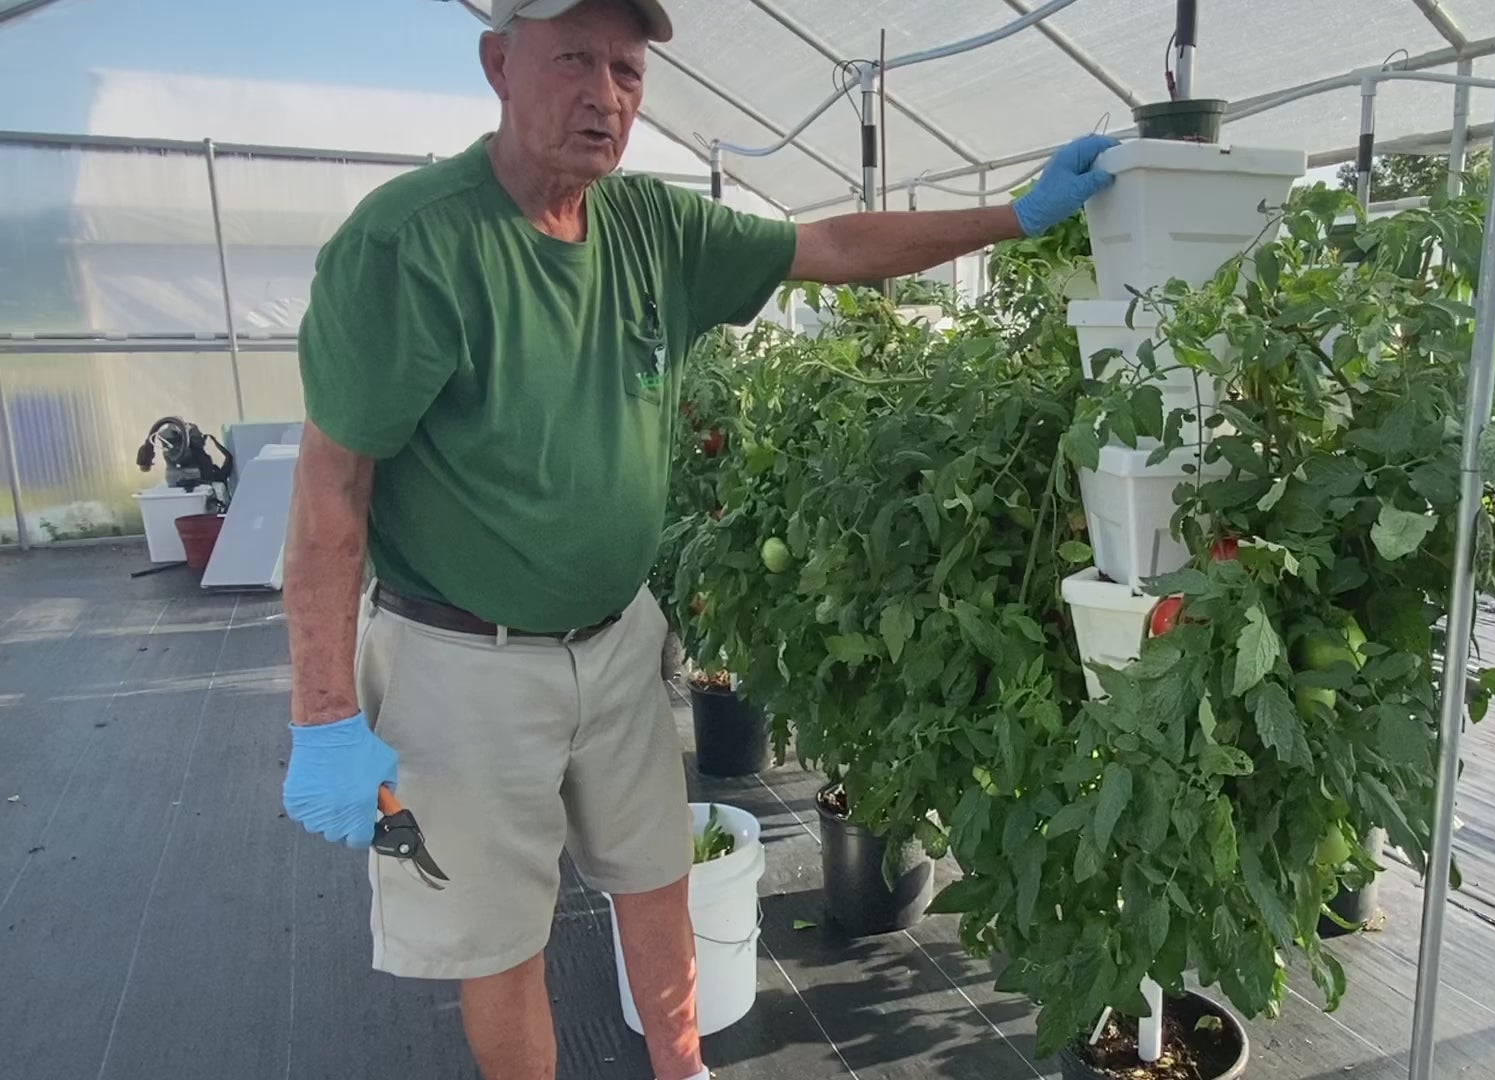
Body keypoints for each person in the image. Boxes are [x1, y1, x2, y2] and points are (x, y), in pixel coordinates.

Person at [278, 1, 1116, 1078]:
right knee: (503, 943)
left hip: (618, 639)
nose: (605, 95)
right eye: (574, 58)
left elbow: (832, 243)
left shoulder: (650, 227)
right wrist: (323, 715)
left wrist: (1015, 217)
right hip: (461, 664)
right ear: (498, 62)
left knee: (657, 879)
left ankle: (688, 1070)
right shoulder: (412, 244)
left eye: (627, 71)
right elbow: (330, 490)